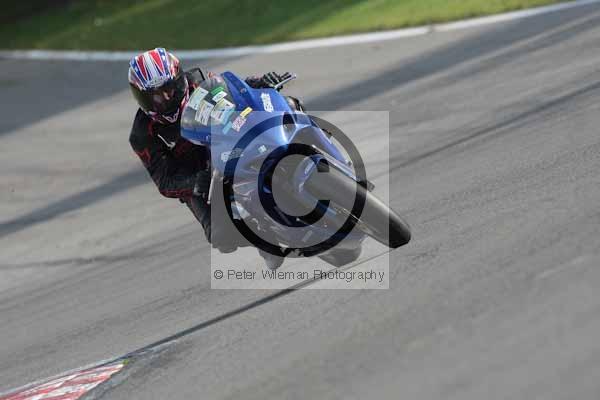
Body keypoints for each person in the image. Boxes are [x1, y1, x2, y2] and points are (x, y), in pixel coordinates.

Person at [128, 48, 303, 252]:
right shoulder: (142, 134)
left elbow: (236, 91)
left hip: (228, 141)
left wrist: (260, 82)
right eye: (155, 96)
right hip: (200, 177)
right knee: (221, 235)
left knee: (288, 104)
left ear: (178, 80)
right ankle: (266, 237)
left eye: (168, 89)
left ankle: (315, 143)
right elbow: (165, 180)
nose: (165, 98)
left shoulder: (199, 80)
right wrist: (194, 182)